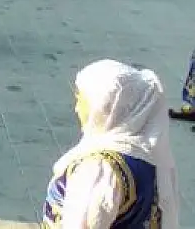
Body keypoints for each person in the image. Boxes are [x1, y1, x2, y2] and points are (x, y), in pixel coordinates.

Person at [43, 60, 179, 229]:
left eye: (82, 100)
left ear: (107, 106)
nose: (77, 108)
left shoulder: (100, 167)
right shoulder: (151, 158)